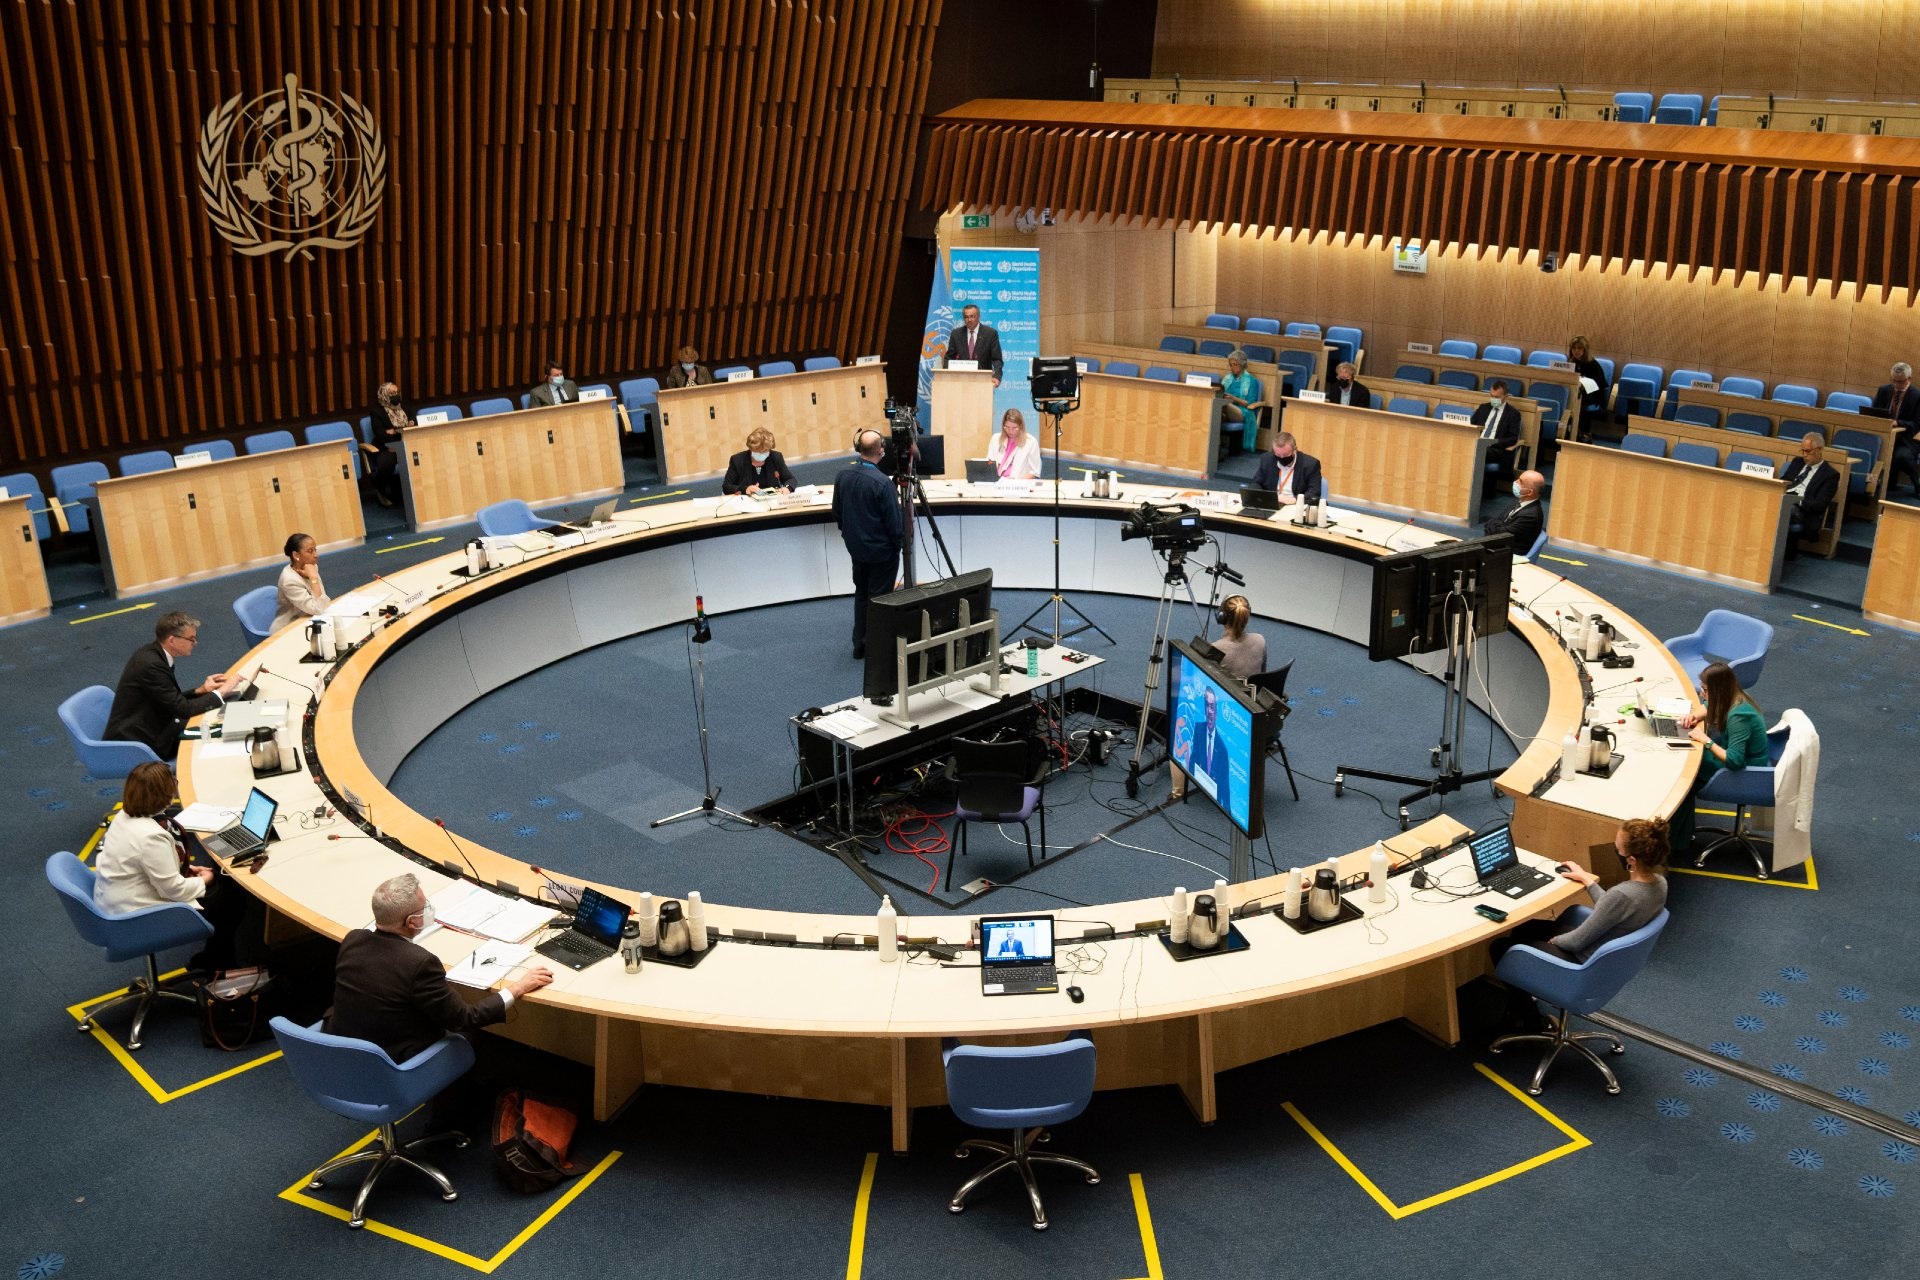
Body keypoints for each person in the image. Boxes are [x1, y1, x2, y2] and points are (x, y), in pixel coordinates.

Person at [326, 873, 553, 1068]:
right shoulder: (419, 963)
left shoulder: (354, 938)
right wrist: (517, 988)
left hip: (343, 1046)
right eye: (425, 907)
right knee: (470, 1035)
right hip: (393, 1061)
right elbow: (464, 1018)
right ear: (412, 922)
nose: (430, 909)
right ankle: (449, 1110)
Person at [1488, 819, 1670, 1029]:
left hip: (1582, 960)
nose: (1614, 850)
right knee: (1524, 928)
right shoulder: (1659, 883)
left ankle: (1531, 1021)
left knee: (1502, 947)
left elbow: (1575, 942)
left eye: (1616, 848)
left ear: (1630, 860)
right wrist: (1587, 880)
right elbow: (1613, 908)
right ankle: (1520, 995)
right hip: (1606, 955)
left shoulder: (1622, 894)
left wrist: (1555, 940)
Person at [93, 761, 253, 971]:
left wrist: (183, 870)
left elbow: (149, 866)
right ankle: (218, 962)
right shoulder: (151, 836)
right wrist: (205, 880)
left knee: (223, 885)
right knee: (232, 899)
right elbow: (174, 890)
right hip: (137, 917)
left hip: (114, 901)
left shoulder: (124, 815)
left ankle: (214, 956)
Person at [1669, 662, 1770, 853]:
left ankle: (1676, 842)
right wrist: (1693, 716)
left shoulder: (1739, 715)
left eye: (1705, 690)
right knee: (1686, 764)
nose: (1701, 694)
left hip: (1746, 772)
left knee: (1684, 779)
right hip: (1735, 759)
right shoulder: (1734, 697)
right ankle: (1681, 834)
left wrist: (1705, 740)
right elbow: (1707, 705)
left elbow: (1734, 761)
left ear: (1719, 690)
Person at [105, 611, 229, 762]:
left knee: (216, 726)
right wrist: (221, 693)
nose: (195, 643)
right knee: (216, 734)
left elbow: (169, 698)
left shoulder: (153, 653)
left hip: (155, 722)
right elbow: (184, 709)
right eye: (191, 639)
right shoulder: (152, 665)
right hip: (143, 740)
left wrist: (200, 691)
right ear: (172, 640)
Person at [831, 429, 903, 660]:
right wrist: (898, 545)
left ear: (858, 449)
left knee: (862, 594)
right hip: (882, 553)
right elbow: (895, 525)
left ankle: (860, 644)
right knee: (879, 599)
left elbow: (837, 513)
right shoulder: (883, 484)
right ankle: (877, 647)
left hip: (857, 550)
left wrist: (850, 537)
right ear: (881, 451)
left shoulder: (842, 475)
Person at [1778, 433, 1838, 559]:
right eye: (1802, 451)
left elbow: (1820, 505)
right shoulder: (1797, 462)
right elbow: (1783, 482)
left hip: (1803, 511)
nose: (1804, 455)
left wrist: (1797, 499)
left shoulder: (1830, 475)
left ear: (1820, 450)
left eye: (1808, 451)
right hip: (1784, 501)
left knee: (1784, 507)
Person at [1871, 361, 1919, 493]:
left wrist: (1898, 422)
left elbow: (1916, 424)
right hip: (1882, 436)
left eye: (1900, 381)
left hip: (1905, 439)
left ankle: (1917, 484)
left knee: (1901, 456)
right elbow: (1873, 411)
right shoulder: (1884, 390)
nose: (1896, 385)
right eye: (1894, 381)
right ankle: (1881, 486)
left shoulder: (1917, 395)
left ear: (1908, 379)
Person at [271, 532, 330, 633]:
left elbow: (322, 600)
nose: (316, 555)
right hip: (288, 628)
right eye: (310, 551)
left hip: (308, 619)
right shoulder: (289, 580)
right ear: (296, 555)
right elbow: (318, 608)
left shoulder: (310, 567)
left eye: (315, 550)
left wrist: (312, 576)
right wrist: (313, 578)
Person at [367, 379, 410, 507]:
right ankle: (380, 489)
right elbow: (381, 436)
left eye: (397, 392)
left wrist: (394, 431)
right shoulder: (377, 413)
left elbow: (414, 427)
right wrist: (402, 430)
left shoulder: (405, 409)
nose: (396, 395)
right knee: (386, 463)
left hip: (405, 446)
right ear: (384, 395)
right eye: (392, 393)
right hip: (386, 448)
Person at [1250, 431, 1323, 506]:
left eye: (1285, 455)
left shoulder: (1310, 465)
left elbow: (1314, 493)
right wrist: (1264, 498)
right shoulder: (1267, 459)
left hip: (1296, 506)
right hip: (1272, 505)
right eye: (1278, 455)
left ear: (1294, 450)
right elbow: (1255, 483)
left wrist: (1295, 500)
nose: (1282, 458)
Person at [1190, 689, 1233, 816]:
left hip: (1216, 795)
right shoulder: (1198, 729)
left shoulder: (1222, 749)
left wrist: (1229, 812)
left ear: (1217, 712)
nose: (1209, 711)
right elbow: (1193, 760)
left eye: (1212, 707)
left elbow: (1225, 785)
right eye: (1207, 706)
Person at [1484, 469, 1545, 553]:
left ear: (1529, 492)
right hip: (1499, 543)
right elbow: (1496, 520)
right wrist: (1495, 526)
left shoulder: (1531, 516)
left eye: (1520, 482)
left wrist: (1493, 527)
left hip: (1508, 552)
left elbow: (1501, 535)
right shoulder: (1518, 501)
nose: (1515, 482)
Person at [1471, 379, 1523, 478]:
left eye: (1497, 397)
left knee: (1480, 451)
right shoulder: (1483, 408)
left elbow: (1513, 438)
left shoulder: (1513, 414)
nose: (1493, 399)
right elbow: (1471, 426)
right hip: (1477, 444)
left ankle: (1477, 491)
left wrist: (1492, 442)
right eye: (1491, 396)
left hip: (1496, 449)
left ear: (1506, 396)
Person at [722, 427, 797, 494]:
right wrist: (745, 489)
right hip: (747, 503)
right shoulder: (738, 460)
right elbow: (726, 486)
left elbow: (790, 479)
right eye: (758, 451)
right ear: (751, 448)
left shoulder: (776, 457)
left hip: (772, 501)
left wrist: (787, 488)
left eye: (765, 451)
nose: (762, 453)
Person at [944, 304, 1003, 385]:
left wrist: (996, 376)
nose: (969, 319)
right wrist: (945, 376)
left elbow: (997, 359)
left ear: (978, 317)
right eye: (966, 317)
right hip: (960, 382)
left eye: (972, 316)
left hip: (983, 381)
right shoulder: (956, 334)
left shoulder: (990, 334)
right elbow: (949, 358)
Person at [1212, 595, 1267, 680]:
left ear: (1222, 617)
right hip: (1253, 691)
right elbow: (1263, 673)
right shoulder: (1260, 640)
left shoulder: (1215, 648)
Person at [1567, 336, 1609, 442]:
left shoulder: (1593, 365)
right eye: (1574, 348)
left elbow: (1600, 387)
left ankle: (1581, 434)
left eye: (1579, 348)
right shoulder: (1571, 363)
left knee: (1578, 404)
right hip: (1575, 394)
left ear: (1585, 350)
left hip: (1592, 397)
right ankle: (1568, 432)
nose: (1576, 351)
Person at [1220, 350, 1262, 452]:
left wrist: (1233, 398)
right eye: (1230, 365)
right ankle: (1217, 446)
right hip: (1226, 409)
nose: (1232, 367)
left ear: (1242, 364)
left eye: (1235, 364)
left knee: (1225, 405)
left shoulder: (1252, 381)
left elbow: (1250, 403)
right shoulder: (1227, 379)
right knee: (1217, 411)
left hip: (1244, 412)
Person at [984, 407, 1042, 480]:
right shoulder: (995, 438)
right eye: (1007, 427)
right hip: (995, 482)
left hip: (1018, 485)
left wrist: (1016, 482)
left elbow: (1034, 472)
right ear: (1003, 426)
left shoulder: (1031, 442)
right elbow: (989, 463)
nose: (1010, 431)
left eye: (1014, 428)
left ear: (1021, 426)